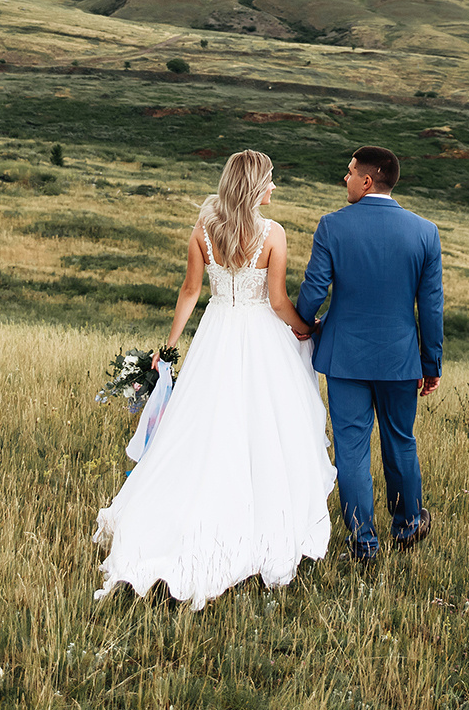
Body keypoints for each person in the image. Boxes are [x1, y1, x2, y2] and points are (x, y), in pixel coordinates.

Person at [93, 150, 336, 609]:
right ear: (255, 186)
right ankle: (259, 525)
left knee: (203, 429)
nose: (274, 188)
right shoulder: (273, 234)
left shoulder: (204, 230)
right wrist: (307, 329)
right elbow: (280, 301)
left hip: (217, 334)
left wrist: (168, 348)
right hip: (261, 337)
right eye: (270, 180)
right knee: (267, 431)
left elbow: (189, 292)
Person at [293, 144, 443, 560]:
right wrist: (430, 363)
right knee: (400, 441)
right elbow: (430, 307)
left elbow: (313, 290)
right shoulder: (425, 232)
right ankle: (409, 524)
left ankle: (363, 543)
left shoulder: (332, 226)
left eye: (349, 172)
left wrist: (305, 325)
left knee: (352, 449)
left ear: (367, 179)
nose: (345, 178)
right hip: (400, 359)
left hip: (344, 359)